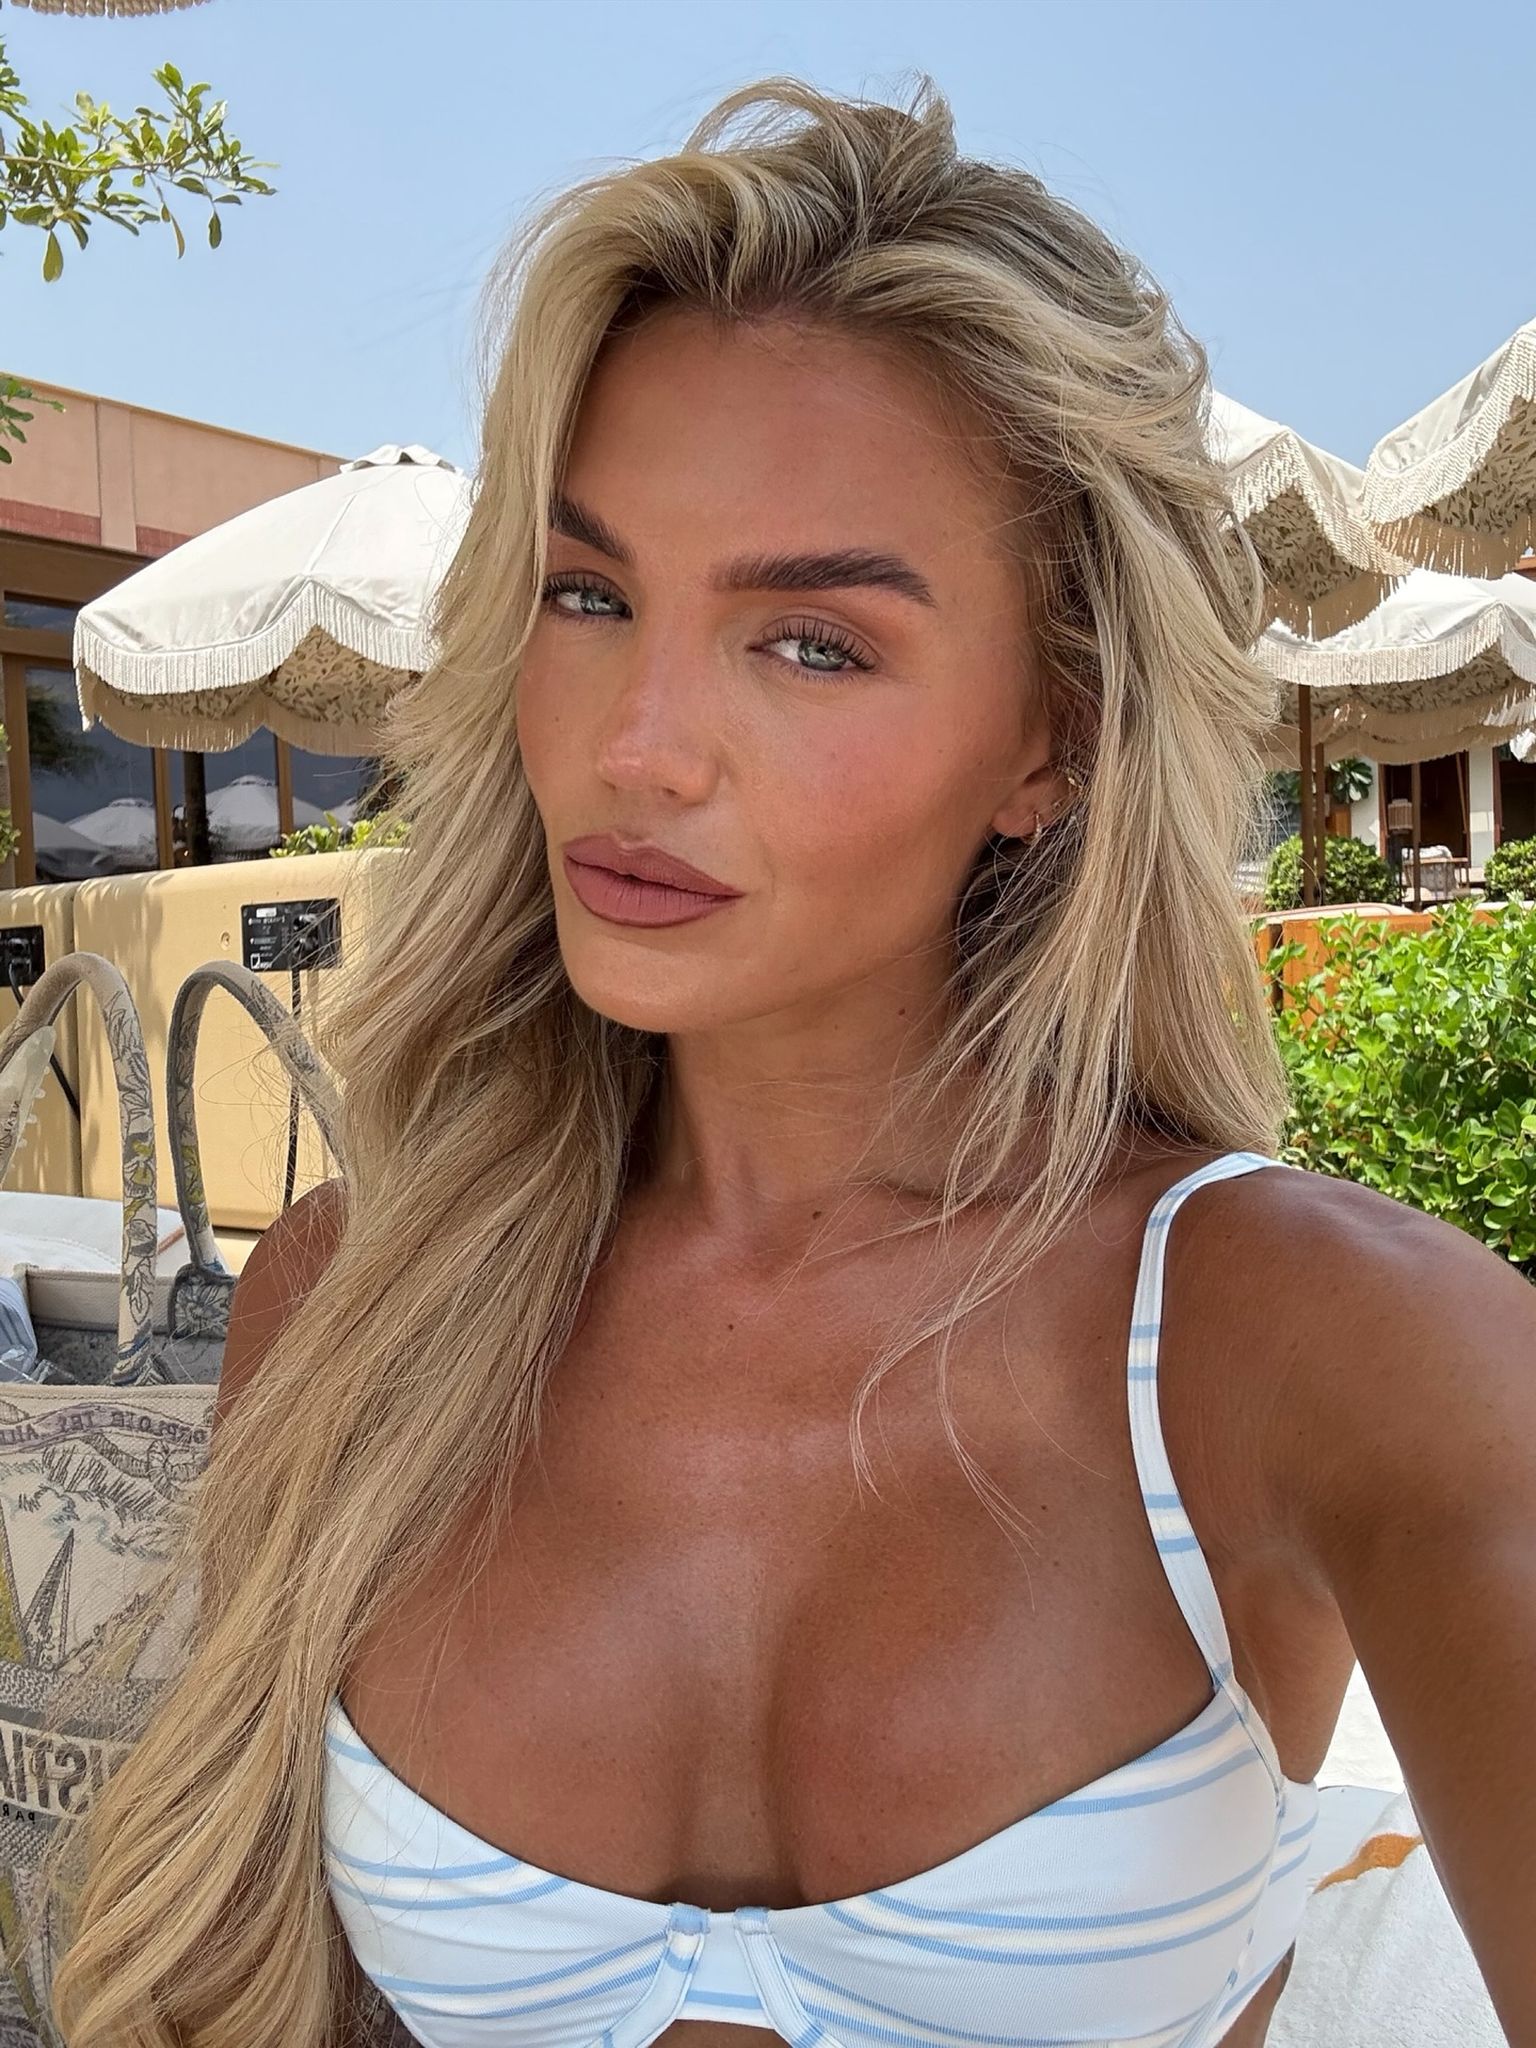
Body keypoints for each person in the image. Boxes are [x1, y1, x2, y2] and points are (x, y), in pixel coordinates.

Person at [49, 78, 1535, 2048]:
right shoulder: (354, 1309)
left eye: (813, 641)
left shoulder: (1312, 1344)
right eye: (590, 596)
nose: (637, 745)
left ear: (1052, 742)